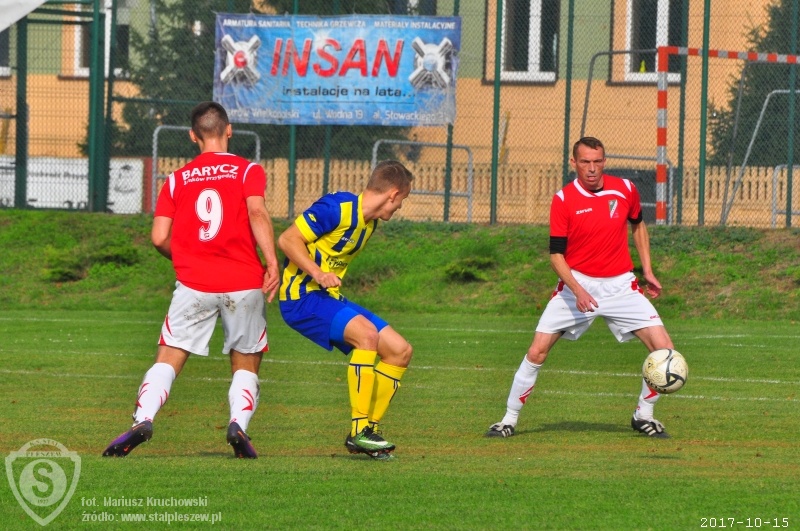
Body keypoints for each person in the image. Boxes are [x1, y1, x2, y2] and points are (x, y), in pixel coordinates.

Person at [102, 101, 280, 458]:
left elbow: (158, 237)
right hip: (244, 279)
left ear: (192, 136)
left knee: (169, 355)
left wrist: (188, 257)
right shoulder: (248, 170)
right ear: (229, 130)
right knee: (246, 359)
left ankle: (143, 419)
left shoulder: (176, 179)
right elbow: (257, 211)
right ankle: (237, 425)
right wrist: (272, 262)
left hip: (194, 283)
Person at [486, 136, 677, 439]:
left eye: (597, 161)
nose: (592, 168)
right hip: (577, 285)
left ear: (605, 161)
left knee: (665, 351)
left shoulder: (626, 189)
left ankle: (644, 415)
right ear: (573, 162)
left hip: (621, 286)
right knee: (537, 351)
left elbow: (638, 225)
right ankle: (507, 420)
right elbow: (556, 256)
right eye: (585, 162)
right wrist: (577, 289)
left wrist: (648, 270)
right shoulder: (564, 199)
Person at [277, 160, 414, 460]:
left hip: (327, 297)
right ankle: (359, 430)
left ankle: (369, 433)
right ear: (393, 194)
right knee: (367, 335)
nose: (400, 207)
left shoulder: (369, 223)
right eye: (402, 200)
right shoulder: (337, 207)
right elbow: (287, 239)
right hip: (301, 297)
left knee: (400, 350)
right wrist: (318, 273)